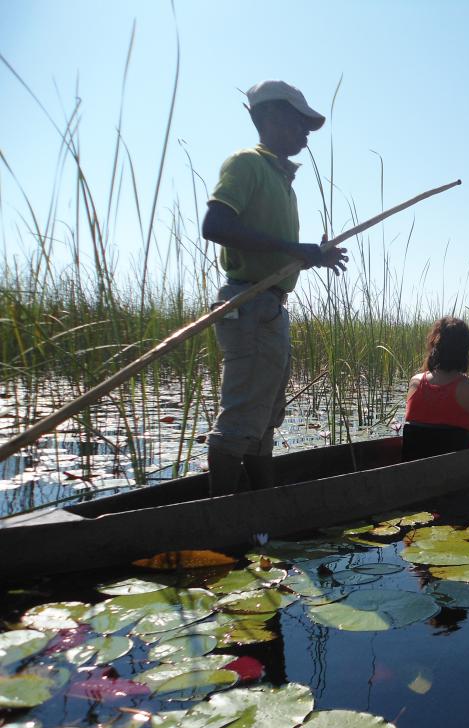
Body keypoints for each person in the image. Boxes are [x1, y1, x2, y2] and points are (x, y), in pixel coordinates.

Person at [202, 80, 348, 496]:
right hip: (248, 302)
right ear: (268, 117)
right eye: (298, 123)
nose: (305, 133)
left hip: (271, 306)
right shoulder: (246, 163)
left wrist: (313, 255)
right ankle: (216, 517)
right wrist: (293, 249)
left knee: (266, 417)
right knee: (241, 418)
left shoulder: (282, 180)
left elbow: (278, 248)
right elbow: (215, 225)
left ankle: (266, 504)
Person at [405, 317, 469, 446]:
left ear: (435, 346)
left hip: (417, 456)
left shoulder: (415, 382)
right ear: (465, 351)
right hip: (464, 458)